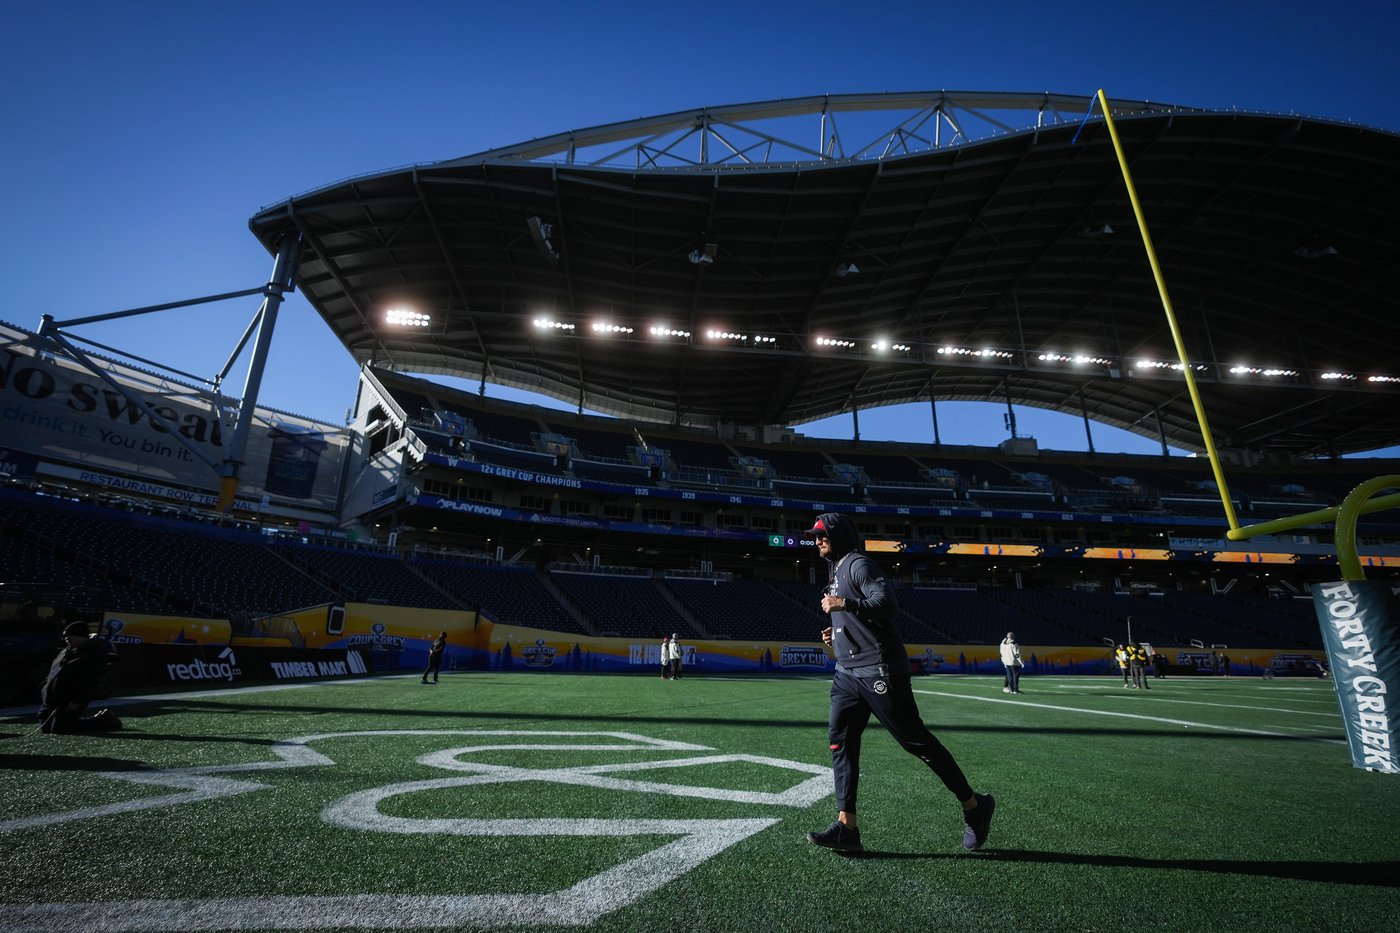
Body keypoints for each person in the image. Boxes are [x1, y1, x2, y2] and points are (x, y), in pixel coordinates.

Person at [801, 512, 994, 854]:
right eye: (814, 536)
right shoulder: (835, 568)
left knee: (915, 742)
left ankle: (974, 807)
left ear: (839, 535)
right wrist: (839, 633)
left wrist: (843, 603)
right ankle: (847, 828)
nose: (816, 540)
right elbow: (860, 616)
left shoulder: (859, 564)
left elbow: (887, 605)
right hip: (847, 672)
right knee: (840, 741)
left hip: (879, 670)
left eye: (821, 535)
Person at [38, 621, 120, 734]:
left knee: (60, 728)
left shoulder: (93, 653)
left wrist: (77, 700)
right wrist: (45, 688)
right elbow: (53, 671)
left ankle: (102, 720)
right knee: (46, 727)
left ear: (80, 635)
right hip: (53, 697)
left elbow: (90, 680)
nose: (66, 638)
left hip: (71, 697)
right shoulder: (66, 651)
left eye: (69, 635)